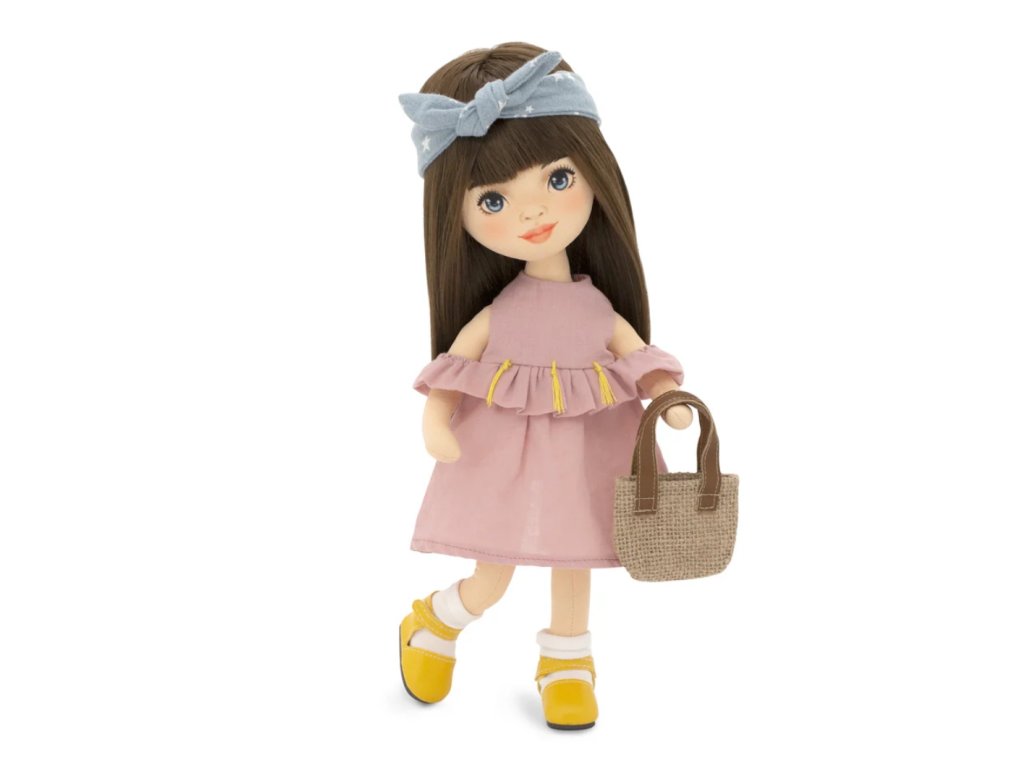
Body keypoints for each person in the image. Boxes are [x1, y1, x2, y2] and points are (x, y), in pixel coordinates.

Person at [396, 43, 693, 730]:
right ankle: (436, 621)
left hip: (586, 451)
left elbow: (638, 355)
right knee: (494, 569)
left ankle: (567, 662)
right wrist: (437, 422)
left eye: (558, 179)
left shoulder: (597, 309)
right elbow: (454, 370)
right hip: (502, 455)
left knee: (574, 558)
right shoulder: (495, 315)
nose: (533, 214)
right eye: (494, 200)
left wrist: (667, 397)